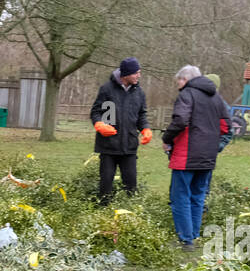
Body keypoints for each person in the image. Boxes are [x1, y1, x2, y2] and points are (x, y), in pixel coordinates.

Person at [162, 65, 231, 248]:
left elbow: (181, 120)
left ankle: (186, 239)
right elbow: (226, 127)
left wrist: (167, 138)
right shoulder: (217, 98)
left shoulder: (187, 94)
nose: (178, 85)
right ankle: (193, 235)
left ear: (186, 79)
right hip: (208, 157)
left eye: (179, 81)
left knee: (180, 196)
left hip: (186, 155)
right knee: (198, 196)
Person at [89, 56, 151, 202]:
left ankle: (129, 214)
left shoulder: (139, 93)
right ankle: (103, 213)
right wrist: (99, 124)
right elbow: (96, 111)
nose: (139, 76)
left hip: (129, 146)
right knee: (105, 186)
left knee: (131, 186)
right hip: (108, 146)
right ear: (126, 74)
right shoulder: (106, 89)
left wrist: (146, 129)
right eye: (136, 73)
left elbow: (142, 115)